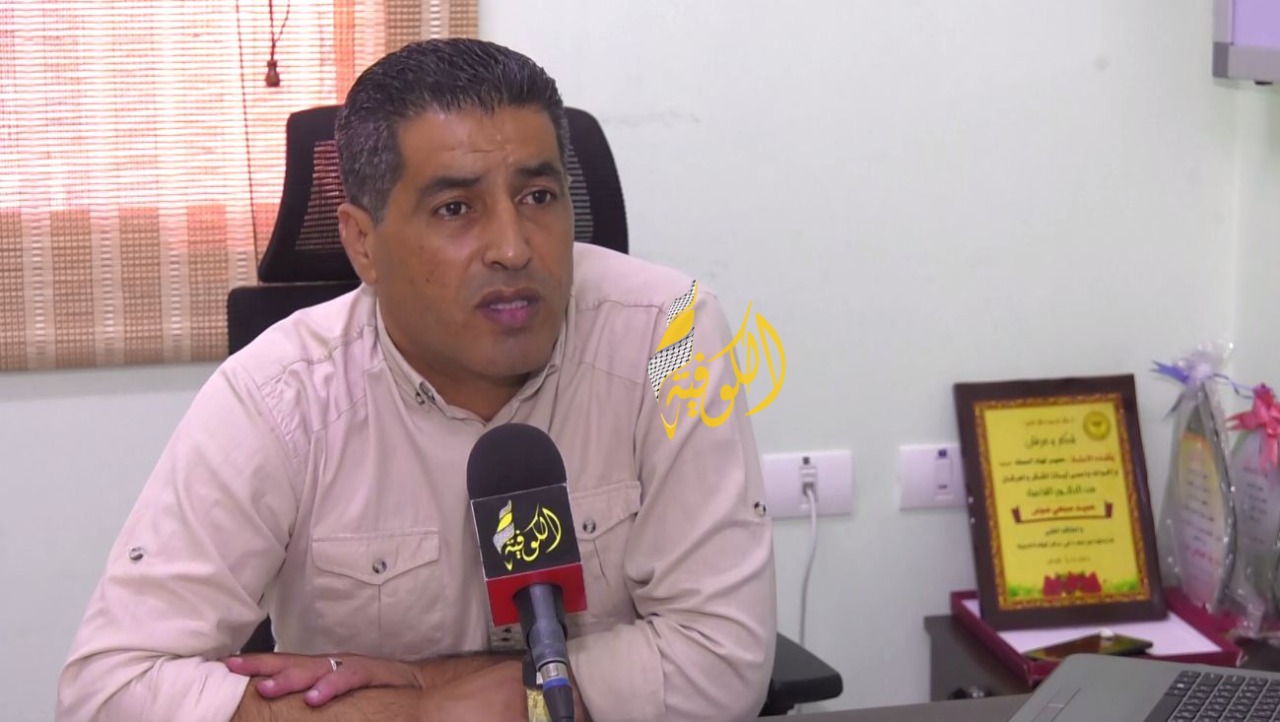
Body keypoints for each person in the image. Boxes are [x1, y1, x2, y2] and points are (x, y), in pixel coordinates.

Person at [56, 38, 776, 722]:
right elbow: (108, 691)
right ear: (362, 242)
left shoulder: (671, 338)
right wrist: (425, 714)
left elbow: (726, 658)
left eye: (538, 196)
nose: (512, 248)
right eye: (455, 209)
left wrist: (430, 687)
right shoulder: (280, 397)